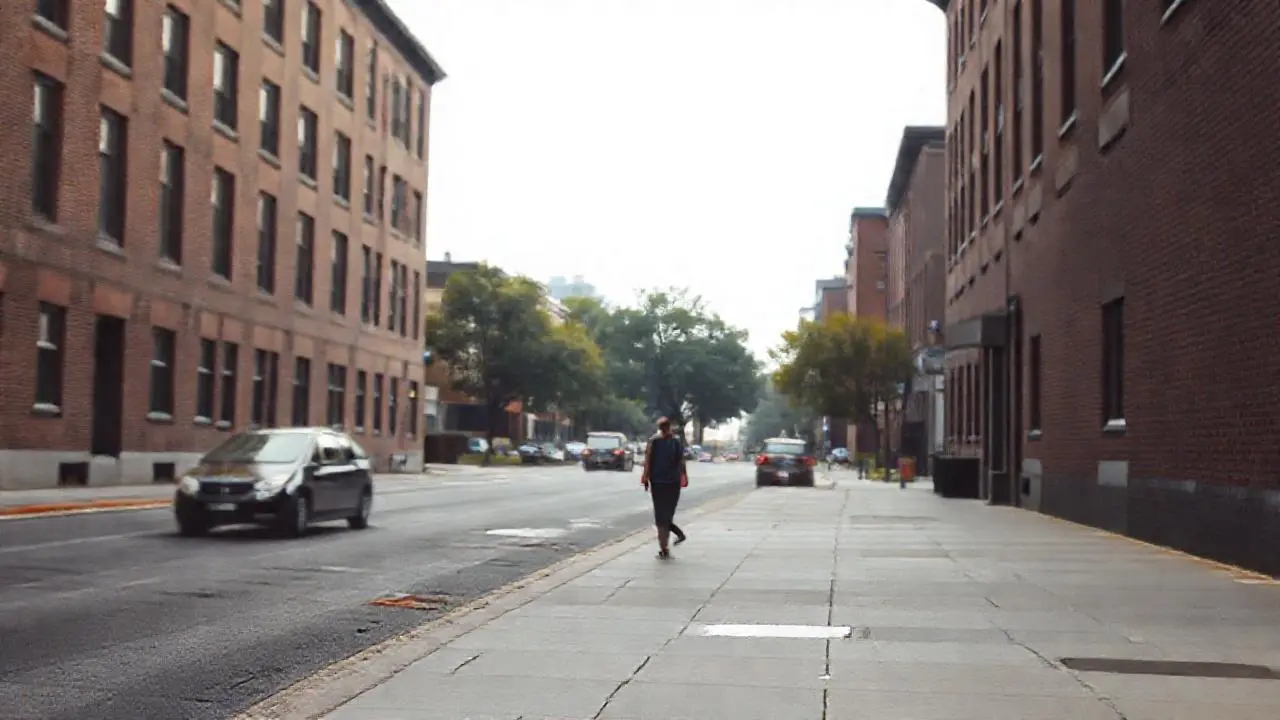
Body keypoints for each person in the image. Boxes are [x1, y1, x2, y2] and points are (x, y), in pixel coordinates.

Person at [641, 417, 688, 558]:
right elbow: (681, 461)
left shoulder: (658, 441)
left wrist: (645, 477)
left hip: (663, 482)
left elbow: (648, 460)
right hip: (666, 482)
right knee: (664, 517)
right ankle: (666, 546)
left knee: (663, 517)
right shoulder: (669, 441)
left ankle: (667, 545)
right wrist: (645, 477)